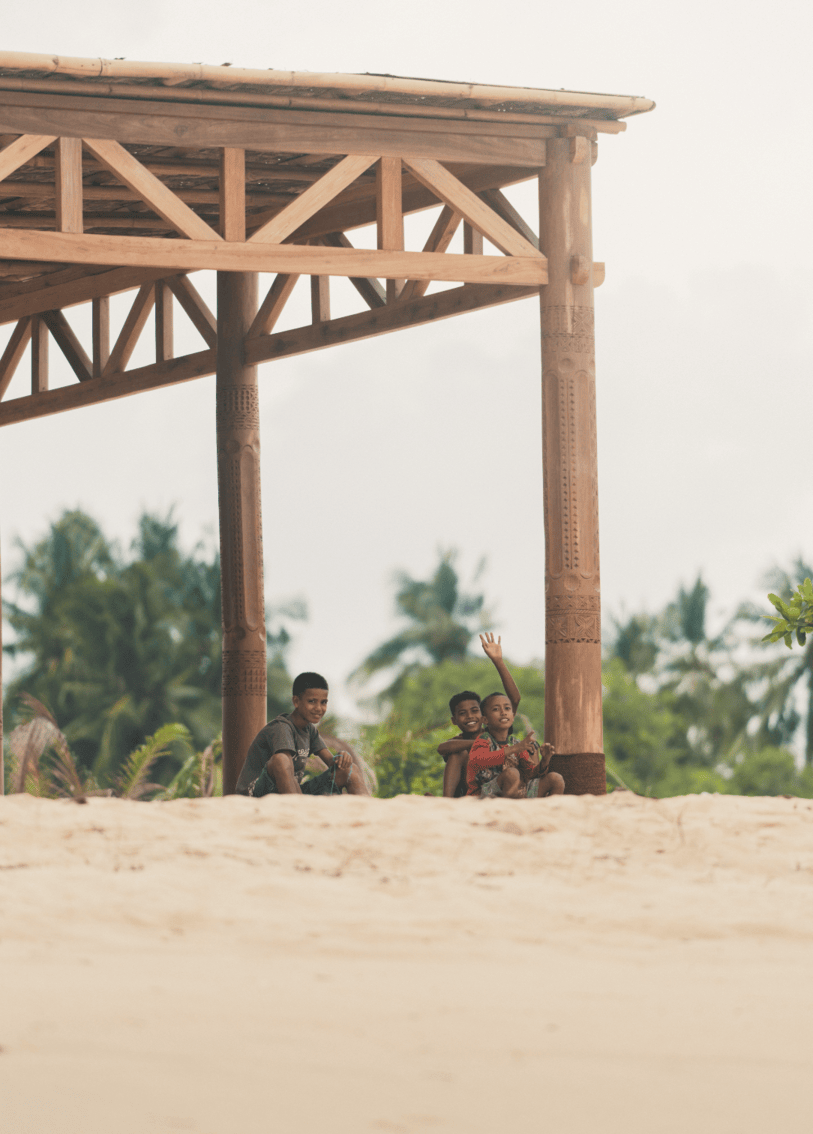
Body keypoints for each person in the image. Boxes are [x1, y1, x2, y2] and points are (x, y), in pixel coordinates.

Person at [235, 672, 369, 796]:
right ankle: (299, 809)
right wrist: (302, 803)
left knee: (349, 769)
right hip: (256, 794)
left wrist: (341, 758)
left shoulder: (309, 730)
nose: (318, 708)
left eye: (323, 702)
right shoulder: (281, 728)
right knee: (281, 759)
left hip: (290, 793)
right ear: (296, 702)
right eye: (312, 701)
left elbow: (330, 762)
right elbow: (282, 765)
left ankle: (371, 815)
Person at [437, 633, 521, 798]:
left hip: (496, 790)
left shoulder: (494, 731)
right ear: (454, 720)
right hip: (468, 796)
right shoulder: (460, 743)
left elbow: (515, 700)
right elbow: (443, 748)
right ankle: (446, 802)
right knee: (457, 754)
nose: (470, 717)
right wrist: (475, 744)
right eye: (462, 713)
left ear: (484, 716)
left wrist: (498, 661)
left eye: (475, 711)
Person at [466, 690, 564, 799]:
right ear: (485, 719)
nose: (503, 712)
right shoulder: (483, 739)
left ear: (512, 716)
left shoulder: (515, 743)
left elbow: (530, 774)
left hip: (516, 792)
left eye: (507, 708)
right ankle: (511, 805)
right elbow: (479, 761)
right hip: (484, 794)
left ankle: (547, 813)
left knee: (556, 778)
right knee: (511, 774)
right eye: (496, 709)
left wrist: (545, 760)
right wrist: (515, 749)